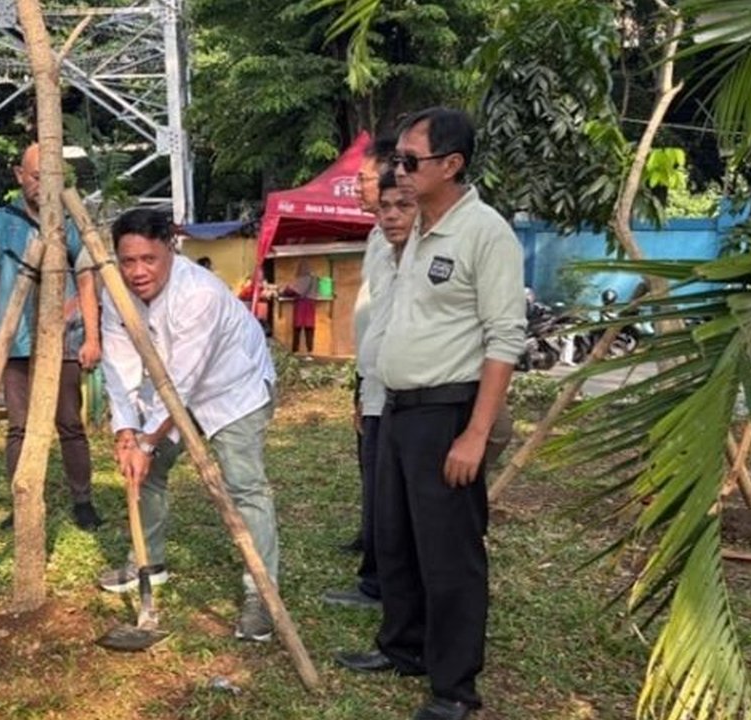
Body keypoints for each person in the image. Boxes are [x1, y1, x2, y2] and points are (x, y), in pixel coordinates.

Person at [334, 108, 525, 720]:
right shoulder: (415, 230)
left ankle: (454, 688)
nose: (401, 171)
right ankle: (403, 647)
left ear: (452, 164)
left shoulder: (483, 233)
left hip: (448, 412)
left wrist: (474, 433)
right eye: (398, 161)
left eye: (412, 161)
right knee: (394, 539)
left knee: (449, 555)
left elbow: (504, 338)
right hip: (396, 410)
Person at [96, 208, 282, 643]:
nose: (138, 272)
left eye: (149, 259)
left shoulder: (198, 294)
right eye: (128, 261)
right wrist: (126, 433)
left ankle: (262, 595)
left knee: (244, 487)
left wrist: (145, 441)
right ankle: (149, 562)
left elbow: (183, 382)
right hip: (167, 393)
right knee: (149, 470)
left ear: (171, 250)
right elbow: (120, 365)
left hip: (233, 389)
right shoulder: (116, 293)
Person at [0, 143, 103, 531]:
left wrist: (91, 338)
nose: (42, 184)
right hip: (15, 343)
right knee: (19, 426)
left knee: (70, 423)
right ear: (19, 176)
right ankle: (22, 499)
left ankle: (83, 499)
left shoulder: (71, 222)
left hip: (63, 342)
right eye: (34, 176)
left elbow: (86, 283)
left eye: (50, 176)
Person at [322, 168, 414, 611]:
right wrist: (362, 387)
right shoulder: (382, 239)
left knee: (391, 493)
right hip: (376, 383)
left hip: (404, 393)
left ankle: (382, 584)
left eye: (366, 179)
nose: (359, 188)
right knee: (377, 485)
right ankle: (375, 571)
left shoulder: (420, 246)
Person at [282, 259, 318, 354]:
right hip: (310, 306)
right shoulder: (314, 278)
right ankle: (310, 352)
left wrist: (286, 289)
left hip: (301, 305)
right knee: (309, 329)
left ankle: (295, 351)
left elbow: (296, 291)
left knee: (297, 329)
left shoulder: (303, 279)